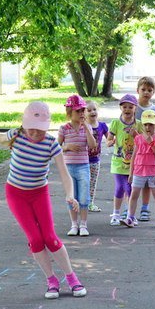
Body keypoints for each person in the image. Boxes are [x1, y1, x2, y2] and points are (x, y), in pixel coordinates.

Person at [0, 101, 87, 299]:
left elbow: (65, 174)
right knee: (35, 239)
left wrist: (69, 195)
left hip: (39, 193)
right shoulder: (16, 135)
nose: (34, 134)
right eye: (31, 129)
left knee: (49, 237)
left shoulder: (51, 144)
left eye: (39, 130)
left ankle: (72, 278)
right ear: (24, 125)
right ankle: (51, 280)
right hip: (16, 194)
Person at [58, 95, 97, 237]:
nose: (81, 114)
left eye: (82, 111)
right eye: (78, 111)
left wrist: (87, 128)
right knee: (71, 196)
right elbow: (57, 147)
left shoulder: (86, 128)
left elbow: (93, 145)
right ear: (70, 113)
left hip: (83, 166)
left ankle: (83, 224)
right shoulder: (64, 129)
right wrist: (67, 146)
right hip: (68, 168)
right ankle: (74, 224)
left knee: (84, 196)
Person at [122, 110, 155, 229]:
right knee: (134, 195)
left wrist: (152, 144)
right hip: (139, 171)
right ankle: (130, 217)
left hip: (153, 172)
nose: (148, 127)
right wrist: (131, 173)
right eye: (146, 124)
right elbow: (134, 156)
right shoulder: (138, 138)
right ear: (142, 124)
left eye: (151, 124)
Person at [106, 94, 143, 226]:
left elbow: (143, 142)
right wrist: (111, 142)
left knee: (128, 188)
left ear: (135, 108)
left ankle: (130, 215)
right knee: (122, 188)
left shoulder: (139, 125)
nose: (127, 109)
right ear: (120, 108)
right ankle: (117, 214)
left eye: (130, 107)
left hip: (133, 163)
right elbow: (108, 140)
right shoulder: (116, 123)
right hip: (118, 162)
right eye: (124, 107)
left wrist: (136, 135)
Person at [134, 77, 155, 223]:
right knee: (133, 182)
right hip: (135, 149)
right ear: (137, 90)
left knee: (147, 183)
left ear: (154, 92)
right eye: (143, 89)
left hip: (151, 153)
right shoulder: (133, 107)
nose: (146, 92)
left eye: (149, 90)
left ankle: (145, 207)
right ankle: (129, 209)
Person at [86, 101, 109, 213]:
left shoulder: (102, 126)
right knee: (82, 182)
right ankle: (80, 203)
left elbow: (110, 138)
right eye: (89, 110)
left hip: (95, 160)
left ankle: (90, 203)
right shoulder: (83, 126)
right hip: (82, 160)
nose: (92, 112)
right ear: (84, 113)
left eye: (94, 109)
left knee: (92, 183)